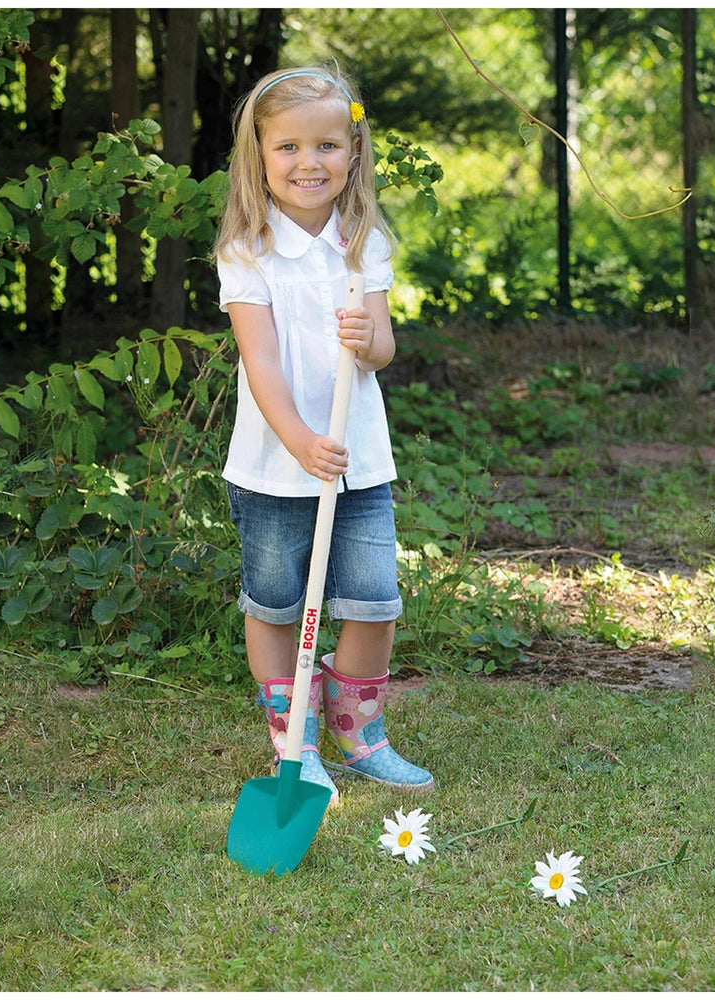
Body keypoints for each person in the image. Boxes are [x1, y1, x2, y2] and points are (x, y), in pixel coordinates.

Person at [212, 65, 434, 807]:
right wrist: (301, 439)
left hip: (358, 460)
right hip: (278, 465)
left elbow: (384, 353)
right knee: (275, 601)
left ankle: (359, 734)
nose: (310, 163)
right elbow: (262, 361)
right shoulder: (249, 250)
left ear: (353, 152)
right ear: (261, 156)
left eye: (329, 146)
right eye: (290, 148)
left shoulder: (361, 243)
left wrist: (369, 336)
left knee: (373, 602)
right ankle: (295, 744)